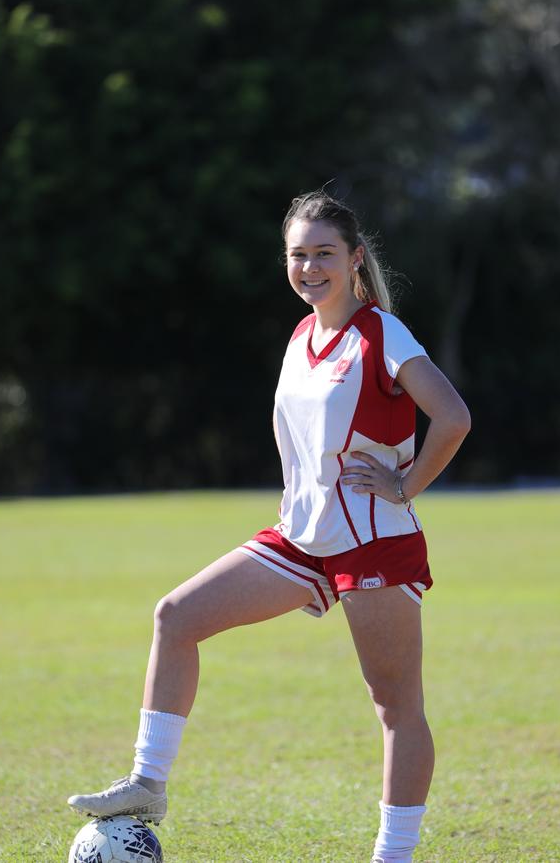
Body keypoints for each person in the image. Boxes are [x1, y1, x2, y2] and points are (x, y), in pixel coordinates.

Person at [68, 190, 471, 862]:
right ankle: (147, 785)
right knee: (176, 615)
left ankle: (393, 855)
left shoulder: (379, 332)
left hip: (374, 539)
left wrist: (405, 484)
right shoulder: (299, 334)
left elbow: (453, 416)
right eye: (298, 254)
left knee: (396, 706)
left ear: (355, 258)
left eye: (324, 253)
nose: (310, 266)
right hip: (302, 537)